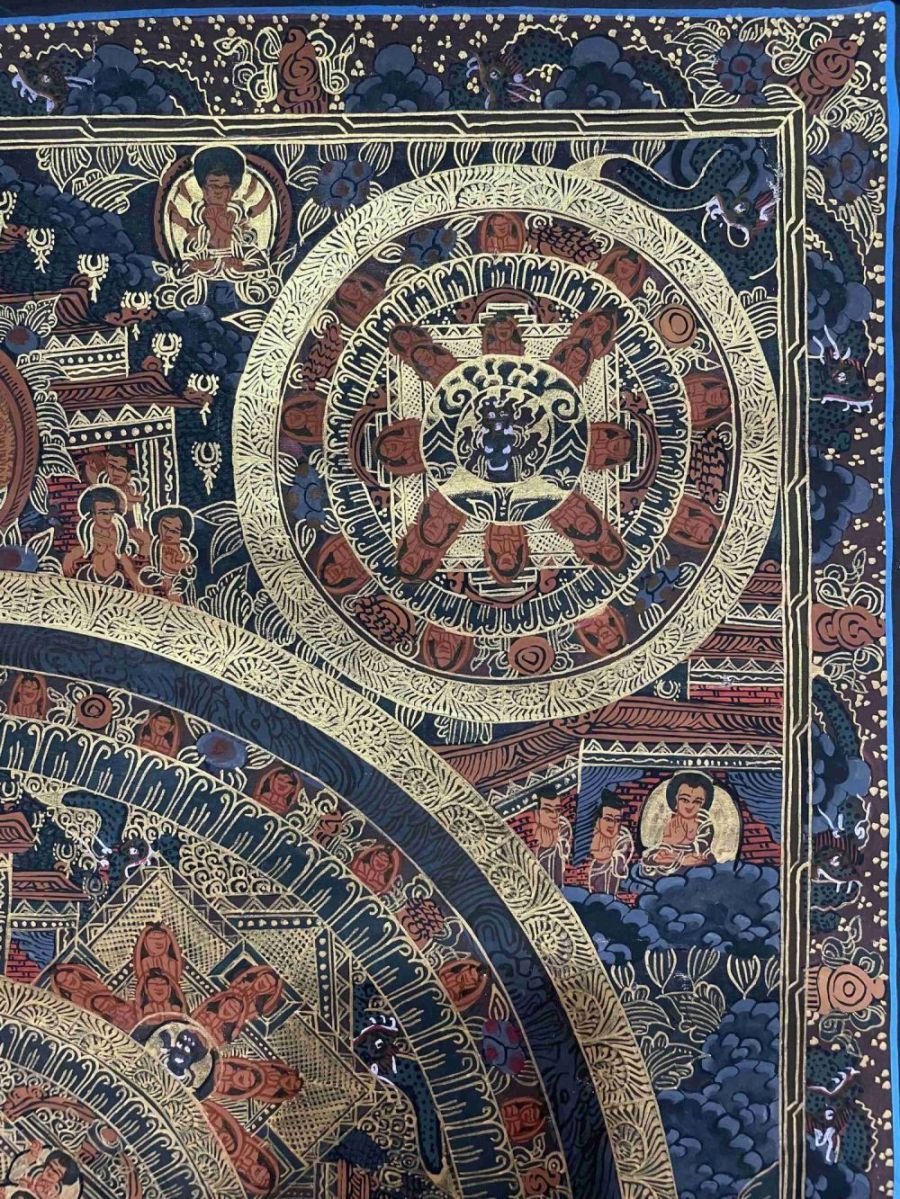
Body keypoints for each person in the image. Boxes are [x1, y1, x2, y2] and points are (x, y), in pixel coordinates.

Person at [169, 146, 270, 276]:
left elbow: (262, 265)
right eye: (213, 186)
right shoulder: (195, 243)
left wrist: (242, 267)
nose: (219, 191)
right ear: (204, 191)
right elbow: (179, 271)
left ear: (230, 192)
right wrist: (194, 267)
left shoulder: (242, 242)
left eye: (225, 186)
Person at [62, 486, 147, 592]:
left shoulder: (117, 533)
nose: (108, 517)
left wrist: (134, 578)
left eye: (111, 512)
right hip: (88, 582)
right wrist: (70, 558)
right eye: (103, 513)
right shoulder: (90, 531)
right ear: (93, 513)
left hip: (114, 584)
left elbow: (122, 556)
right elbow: (84, 547)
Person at [642, 771, 717, 876]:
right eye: (684, 800)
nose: (690, 806)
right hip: (665, 865)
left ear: (704, 804)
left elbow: (701, 853)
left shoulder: (704, 824)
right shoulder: (664, 821)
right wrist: (673, 858)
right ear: (675, 799)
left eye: (697, 801)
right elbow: (651, 853)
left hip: (695, 867)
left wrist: (681, 859)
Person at [587, 791, 634, 894]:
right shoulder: (585, 839)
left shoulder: (622, 839)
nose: (612, 825)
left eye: (617, 820)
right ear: (597, 819)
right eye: (608, 819)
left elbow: (619, 867)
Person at [533, 787, 572, 886]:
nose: (554, 815)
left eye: (557, 809)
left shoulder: (561, 846)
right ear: (537, 814)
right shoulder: (534, 848)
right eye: (547, 810)